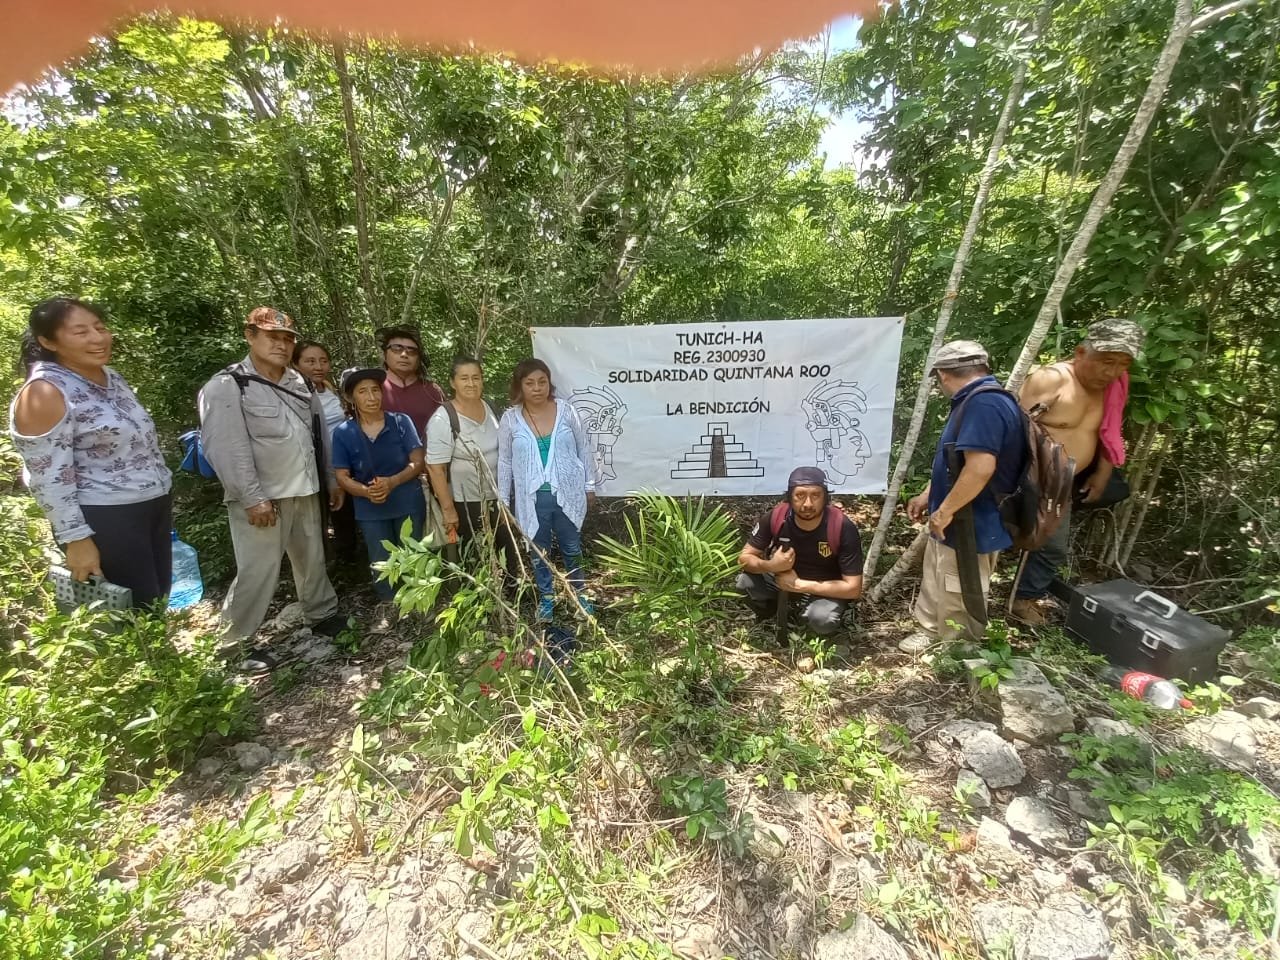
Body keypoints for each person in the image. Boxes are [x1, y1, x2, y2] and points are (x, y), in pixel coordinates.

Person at [198, 307, 347, 661]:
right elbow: (225, 447)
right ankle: (233, 644)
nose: (280, 345)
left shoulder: (299, 382)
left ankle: (322, 613)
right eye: (271, 337)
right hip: (263, 498)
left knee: (312, 559)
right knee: (257, 569)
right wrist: (251, 496)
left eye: (286, 339)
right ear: (250, 336)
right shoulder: (227, 385)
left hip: (305, 489)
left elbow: (318, 436)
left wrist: (329, 479)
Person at [9, 297, 174, 606]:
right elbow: (48, 475)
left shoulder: (112, 378)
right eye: (81, 332)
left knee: (155, 601)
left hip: (150, 505)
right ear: (48, 341)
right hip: (105, 516)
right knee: (126, 612)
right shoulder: (45, 392)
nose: (98, 338)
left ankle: (160, 654)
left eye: (100, 328)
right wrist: (76, 540)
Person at [1009, 319, 1145, 623]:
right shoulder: (1052, 379)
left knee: (1051, 546)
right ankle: (966, 599)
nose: (1112, 372)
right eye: (1106, 362)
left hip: (1064, 482)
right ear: (1081, 352)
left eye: (1123, 364)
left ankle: (1023, 598)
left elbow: (1108, 431)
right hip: (1026, 476)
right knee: (996, 536)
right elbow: (1013, 429)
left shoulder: (1115, 387)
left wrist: (1102, 472)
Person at [901, 340, 1025, 651]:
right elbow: (955, 464)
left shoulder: (985, 404)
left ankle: (957, 648)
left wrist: (945, 510)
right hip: (957, 514)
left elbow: (981, 468)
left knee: (960, 584)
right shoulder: (973, 401)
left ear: (942, 374)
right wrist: (929, 496)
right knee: (939, 575)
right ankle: (929, 631)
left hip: (974, 518)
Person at [497, 358, 596, 621]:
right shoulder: (510, 419)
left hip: (567, 492)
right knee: (538, 551)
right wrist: (502, 500)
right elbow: (505, 461)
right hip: (532, 499)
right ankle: (547, 598)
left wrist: (589, 485)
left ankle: (580, 595)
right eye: (530, 383)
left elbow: (584, 447)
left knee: (572, 548)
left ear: (549, 383)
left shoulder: (566, 411)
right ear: (520, 386)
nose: (537, 388)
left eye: (542, 382)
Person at [330, 367, 427, 601]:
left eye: (375, 390)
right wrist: (366, 492)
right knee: (381, 561)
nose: (371, 397)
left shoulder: (400, 422)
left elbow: (417, 462)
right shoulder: (343, 432)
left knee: (412, 554)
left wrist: (392, 482)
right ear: (351, 398)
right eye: (363, 391)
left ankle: (420, 602)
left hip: (407, 502)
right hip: (370, 508)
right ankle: (391, 605)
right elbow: (342, 476)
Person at [736, 466, 864, 637]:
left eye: (816, 495)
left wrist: (798, 585)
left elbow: (853, 588)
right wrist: (771, 565)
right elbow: (744, 558)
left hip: (824, 590)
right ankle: (772, 614)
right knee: (744, 582)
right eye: (800, 495)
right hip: (781, 582)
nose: (808, 504)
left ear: (826, 497)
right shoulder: (777, 517)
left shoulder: (841, 527)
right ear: (789, 497)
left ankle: (811, 623)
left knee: (822, 620)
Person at [425, 357, 519, 578]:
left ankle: (511, 596)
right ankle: (482, 604)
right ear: (452, 382)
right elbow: (435, 468)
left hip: (499, 498)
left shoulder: (491, 408)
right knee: (476, 556)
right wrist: (448, 510)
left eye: (476, 377)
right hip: (465, 503)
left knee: (506, 551)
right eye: (464, 378)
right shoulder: (443, 418)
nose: (471, 383)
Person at [293, 339, 359, 565]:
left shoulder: (329, 389)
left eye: (323, 361)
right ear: (296, 364)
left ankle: (346, 560)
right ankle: (319, 566)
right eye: (310, 361)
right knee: (315, 519)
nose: (318, 366)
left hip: (341, 462)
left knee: (344, 513)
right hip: (312, 466)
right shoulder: (294, 394)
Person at [377, 326, 446, 442]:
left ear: (419, 358)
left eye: (411, 350)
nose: (404, 354)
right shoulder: (371, 388)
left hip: (429, 458)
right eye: (396, 348)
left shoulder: (433, 391)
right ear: (384, 354)